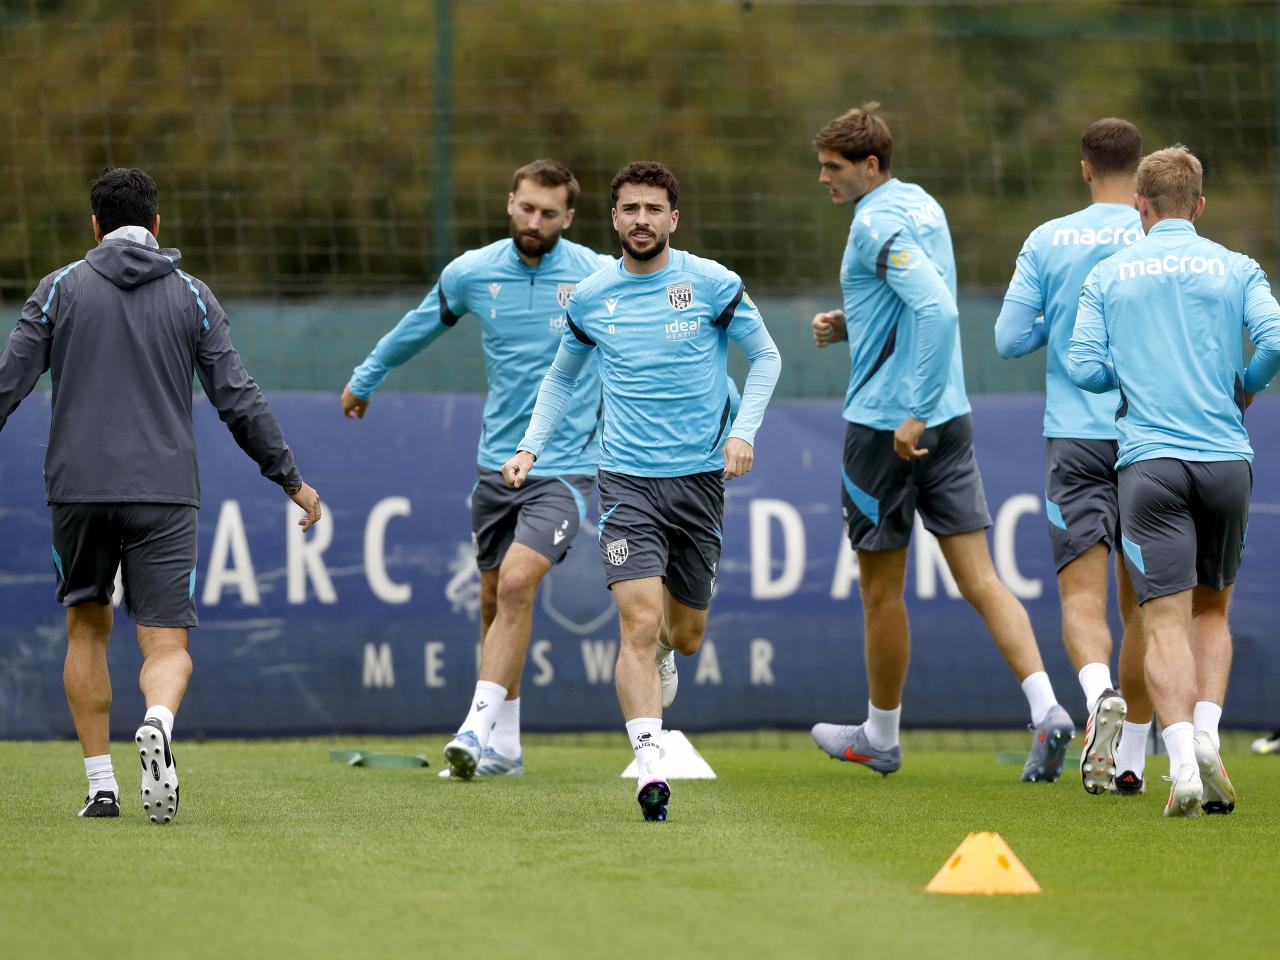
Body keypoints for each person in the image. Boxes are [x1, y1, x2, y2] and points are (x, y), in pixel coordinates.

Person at [0, 167, 320, 822]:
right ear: (156, 224)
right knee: (167, 645)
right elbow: (238, 397)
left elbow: (9, 382)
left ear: (94, 225)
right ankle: (157, 723)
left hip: (79, 491)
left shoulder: (57, 289)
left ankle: (100, 786)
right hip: (166, 493)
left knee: (86, 629)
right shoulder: (192, 296)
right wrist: (288, 476)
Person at [503, 161, 781, 821]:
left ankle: (663, 658)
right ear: (614, 217)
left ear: (673, 219)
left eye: (653, 209)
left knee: (682, 635)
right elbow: (560, 380)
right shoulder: (594, 297)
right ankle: (650, 767)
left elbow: (766, 356)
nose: (641, 220)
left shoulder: (713, 284)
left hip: (700, 480)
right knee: (638, 622)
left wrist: (743, 433)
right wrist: (528, 447)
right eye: (629, 208)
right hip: (626, 480)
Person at [806, 103, 1073, 782]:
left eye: (832, 168)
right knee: (981, 577)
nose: (823, 179)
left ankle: (881, 737)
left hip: (890, 429)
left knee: (880, 594)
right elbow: (911, 301)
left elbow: (937, 307)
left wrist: (913, 413)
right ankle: (1046, 709)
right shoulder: (921, 204)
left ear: (870, 166)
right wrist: (855, 325)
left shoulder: (874, 220)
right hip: (952, 416)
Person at [343, 160, 611, 780]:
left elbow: (653, 328)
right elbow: (417, 328)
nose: (535, 221)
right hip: (496, 467)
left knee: (518, 585)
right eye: (526, 208)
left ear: (568, 219)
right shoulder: (472, 272)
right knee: (493, 602)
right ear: (509, 204)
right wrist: (365, 378)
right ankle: (506, 750)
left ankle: (472, 728)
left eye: (549, 213)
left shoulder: (599, 276)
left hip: (567, 469)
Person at [1070, 144, 1280, 817]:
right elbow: (1274, 339)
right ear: (1200, 205)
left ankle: (1183, 763)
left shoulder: (1109, 273)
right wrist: (1246, 385)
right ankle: (1212, 735)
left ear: (1140, 206)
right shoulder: (1236, 267)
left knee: (1163, 623)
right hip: (1225, 459)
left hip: (1149, 465)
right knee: (1212, 611)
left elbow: (1082, 366)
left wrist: (1126, 374)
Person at [996, 117, 1154, 795]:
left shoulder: (1047, 239)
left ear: (1084, 168)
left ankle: (1097, 700)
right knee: (1147, 605)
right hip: (1152, 437)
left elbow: (1007, 339)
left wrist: (1057, 326)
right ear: (1140, 168)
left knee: (1080, 597)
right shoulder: (1159, 237)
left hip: (1076, 438)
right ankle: (1132, 757)